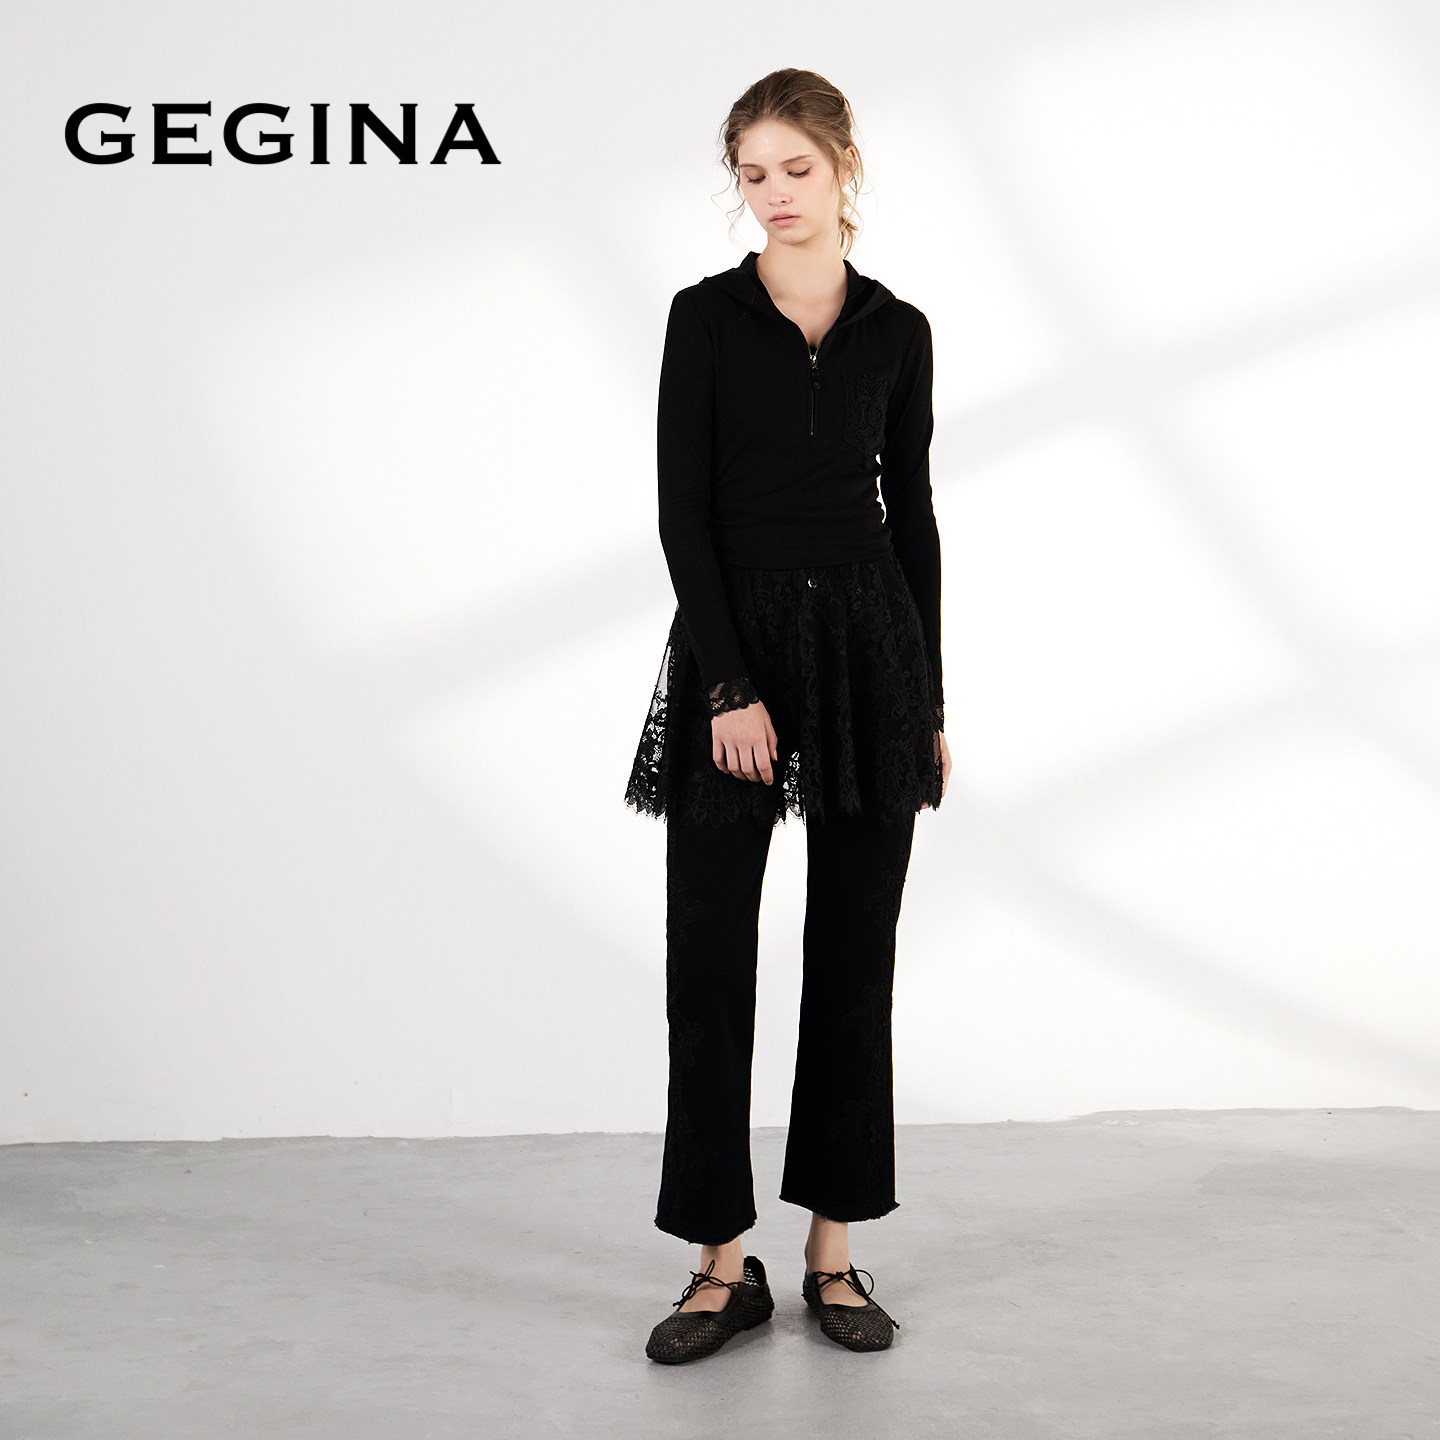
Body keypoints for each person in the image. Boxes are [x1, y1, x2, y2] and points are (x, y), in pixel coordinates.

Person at [623, 67, 952, 1364]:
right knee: (708, 960)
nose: (773, 194)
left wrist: (928, 700)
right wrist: (728, 686)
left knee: (853, 959)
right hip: (738, 648)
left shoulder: (899, 330)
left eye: (794, 170)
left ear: (844, 166)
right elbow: (681, 514)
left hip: (871, 650)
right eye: (752, 174)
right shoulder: (704, 319)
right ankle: (720, 1263)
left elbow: (912, 515)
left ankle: (833, 1253)